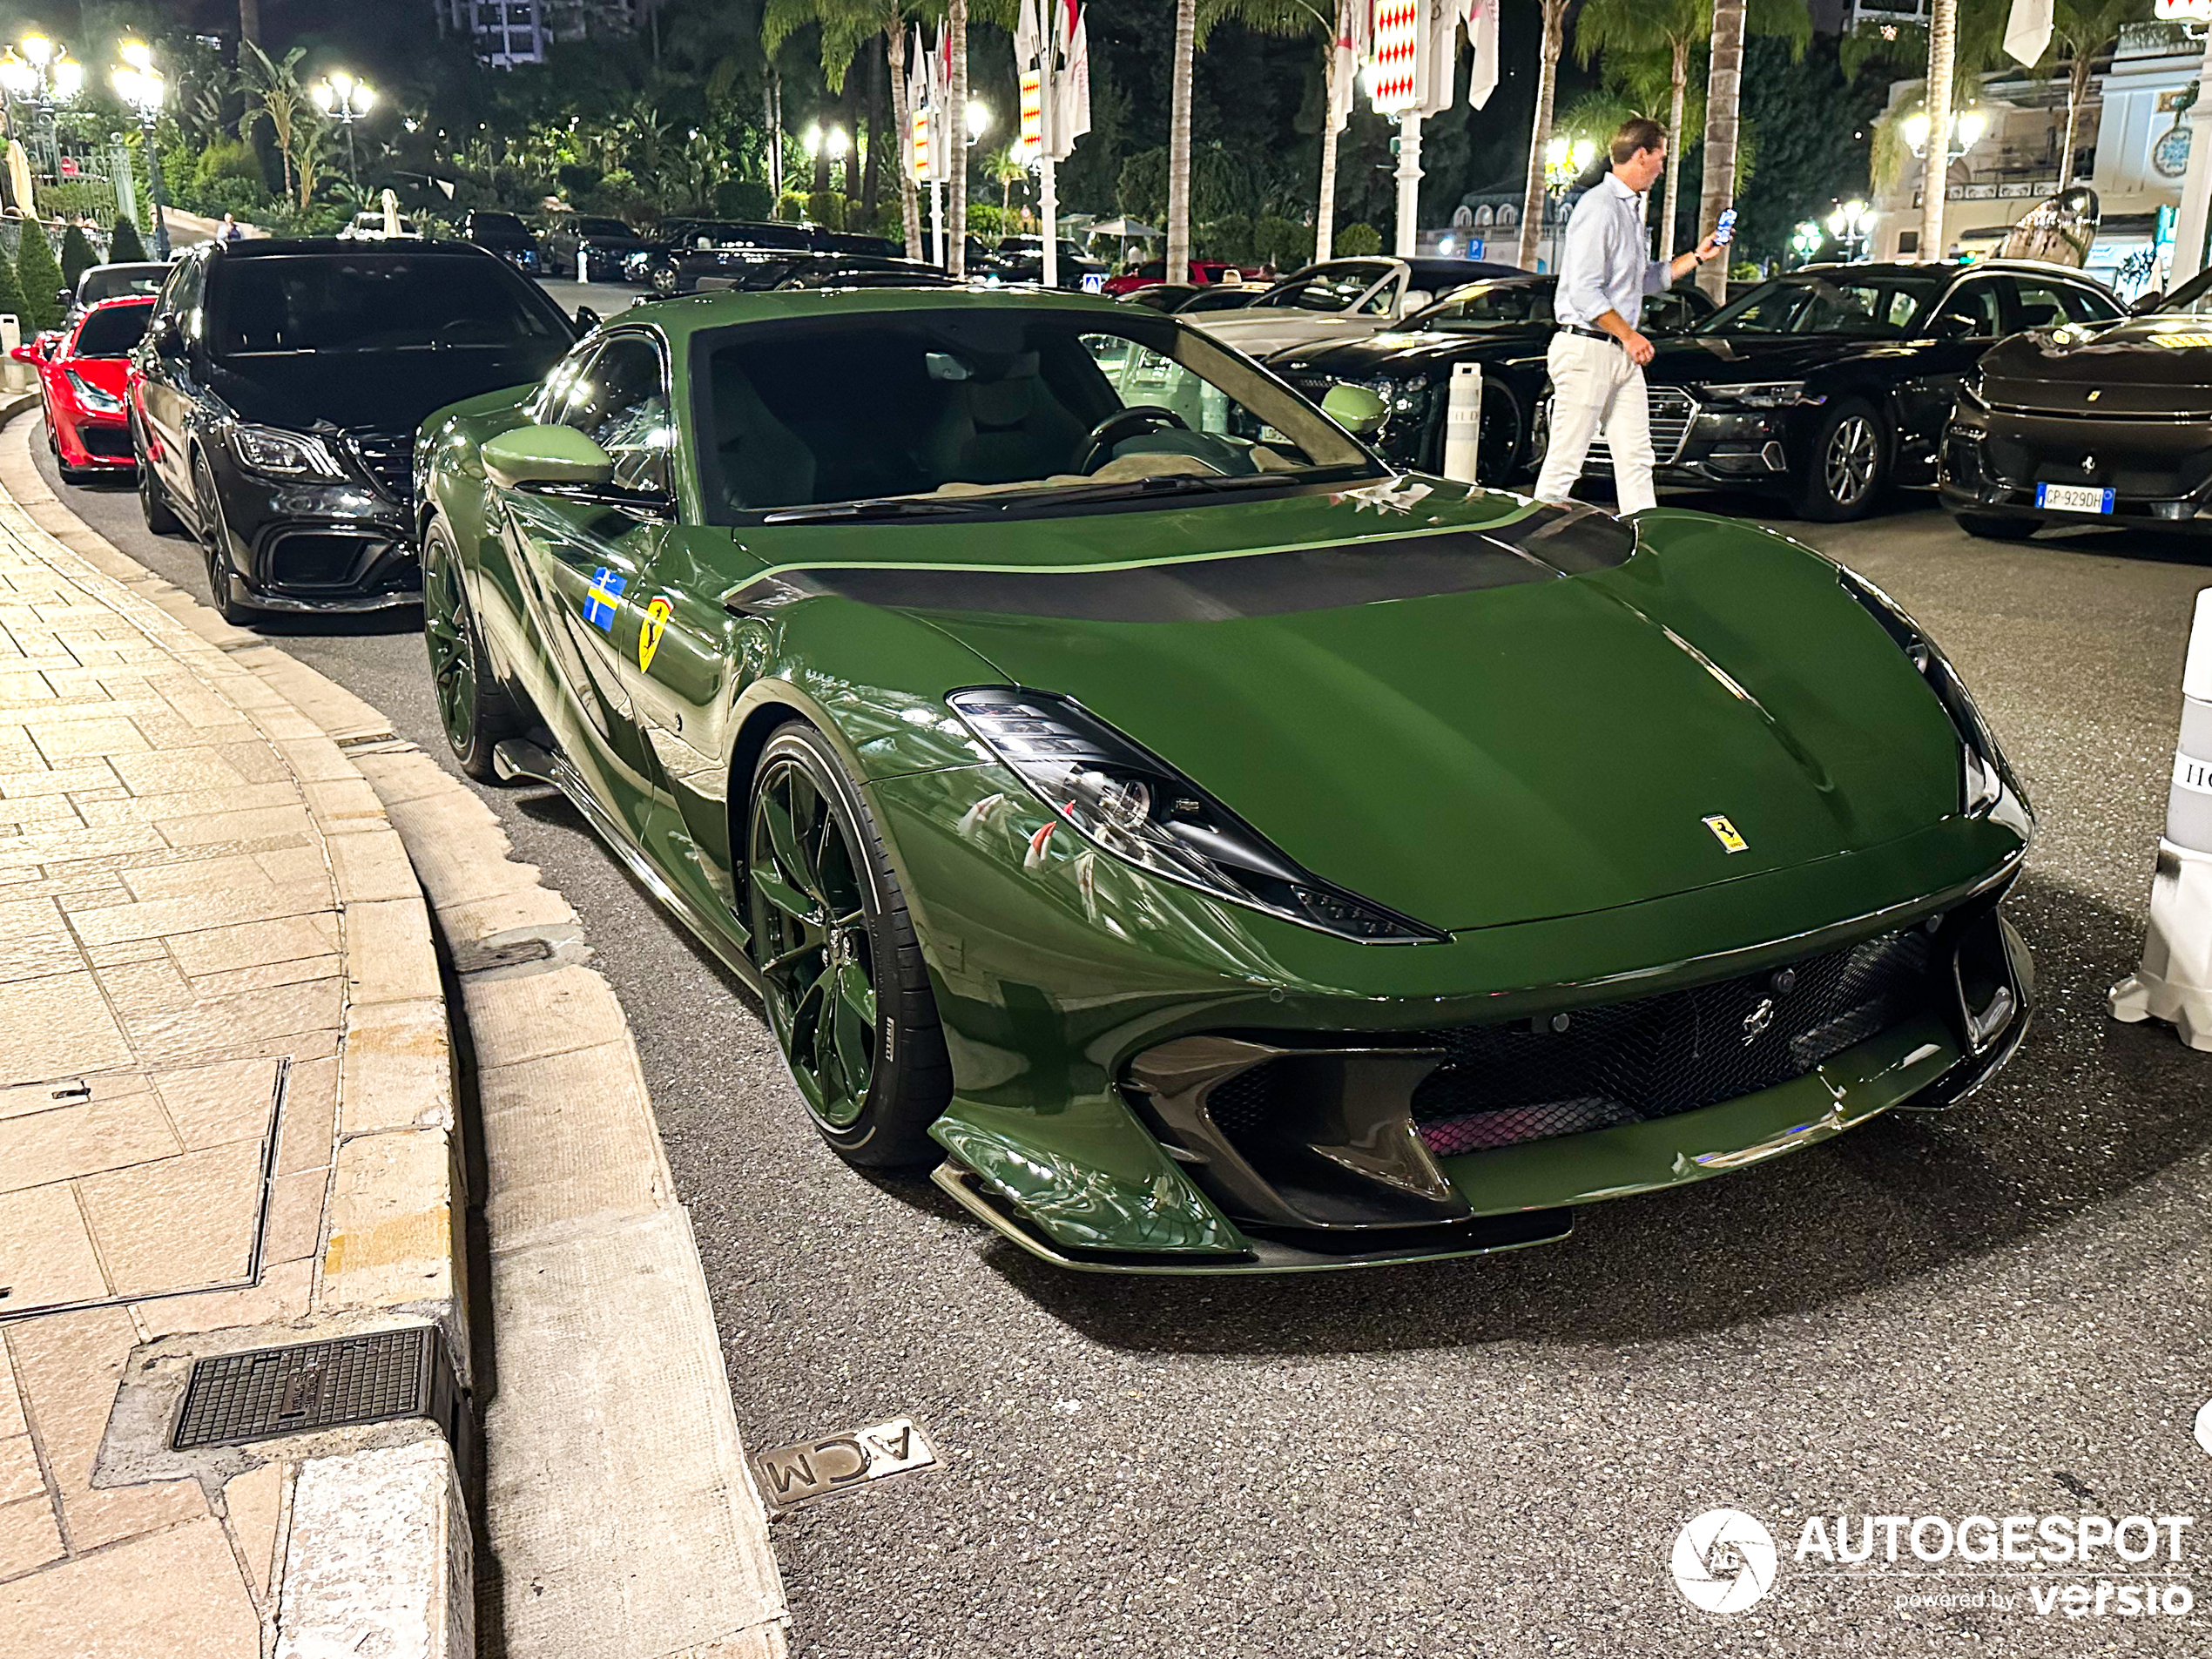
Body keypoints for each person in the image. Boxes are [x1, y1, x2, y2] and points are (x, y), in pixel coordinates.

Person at [1531, 117, 1724, 517]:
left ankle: (1644, 538)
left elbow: (1642, 280)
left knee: (1637, 457)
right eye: (1660, 158)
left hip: (1615, 351)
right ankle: (1530, 546)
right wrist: (1630, 336)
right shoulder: (1599, 208)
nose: (1662, 167)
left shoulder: (1627, 210)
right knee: (1565, 461)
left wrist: (1699, 256)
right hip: (1587, 348)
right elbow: (1585, 290)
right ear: (1641, 155)